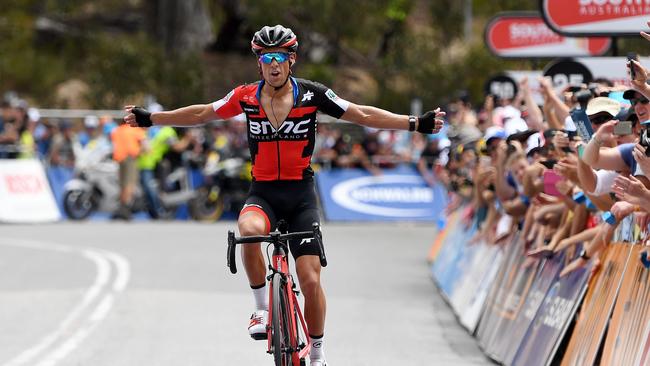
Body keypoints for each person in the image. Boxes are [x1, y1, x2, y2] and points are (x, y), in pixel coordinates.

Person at [123, 24, 444, 366]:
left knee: (309, 279)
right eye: (265, 58)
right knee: (247, 232)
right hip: (263, 192)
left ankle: (317, 352)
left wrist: (415, 124)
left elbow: (362, 114)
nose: (273, 64)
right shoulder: (245, 97)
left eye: (280, 57)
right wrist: (151, 119)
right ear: (258, 62)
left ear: (291, 61)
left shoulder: (313, 95)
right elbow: (202, 113)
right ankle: (262, 309)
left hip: (301, 196)